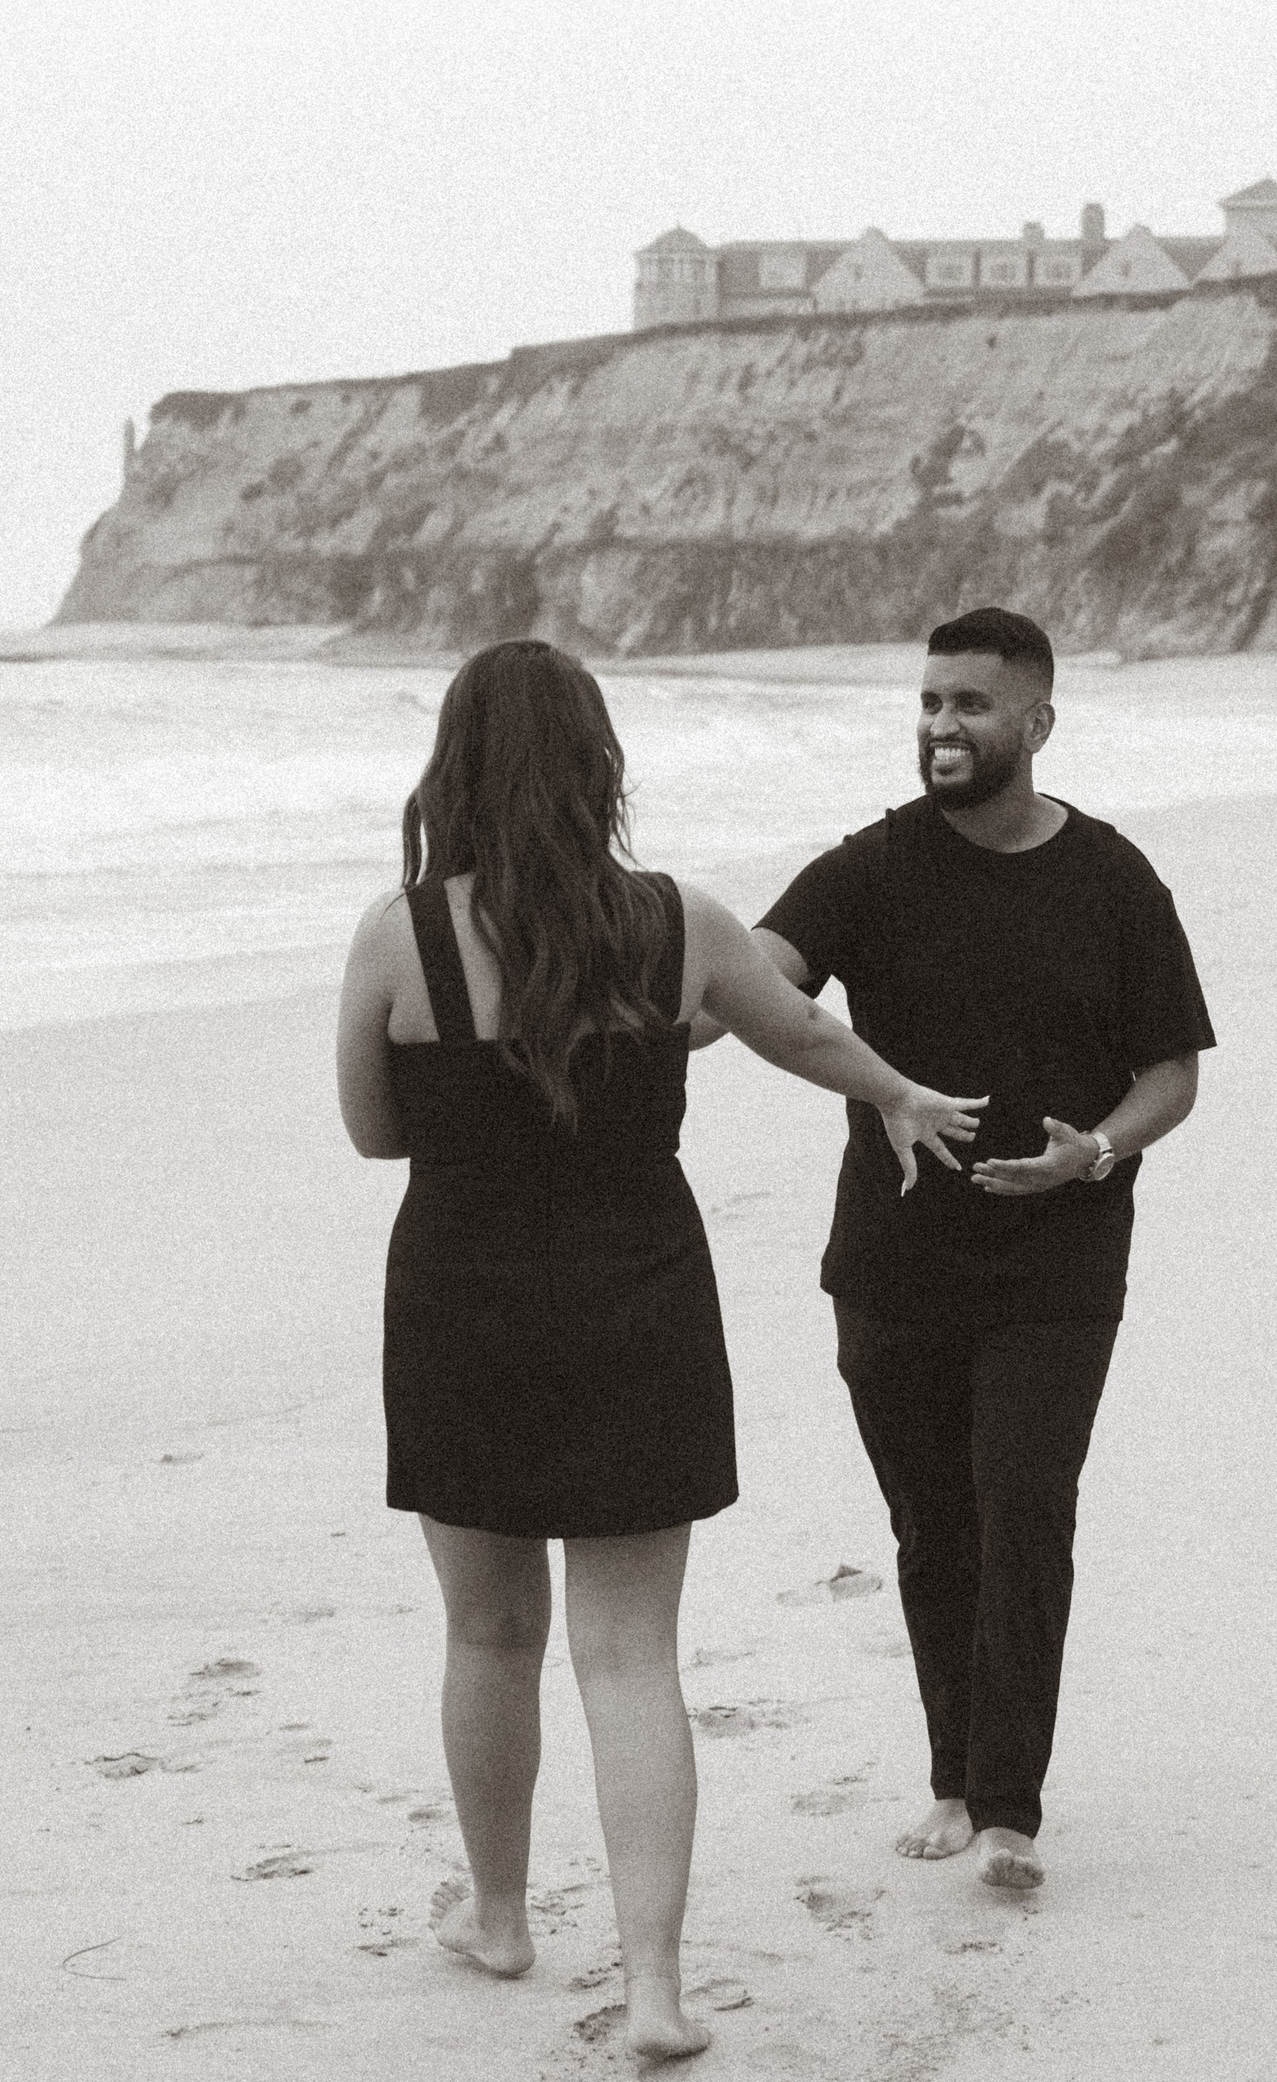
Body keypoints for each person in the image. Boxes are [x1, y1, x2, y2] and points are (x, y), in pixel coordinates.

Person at [335, 639, 983, 2065]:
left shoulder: (401, 935)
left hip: (463, 1308)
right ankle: (653, 1991)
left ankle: (499, 1915)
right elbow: (805, 1032)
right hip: (639, 1306)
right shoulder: (676, 922)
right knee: (632, 1656)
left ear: (452, 768)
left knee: (489, 1632)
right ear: (597, 767)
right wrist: (903, 1094)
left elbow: (376, 1131)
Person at [730, 607, 1214, 1897]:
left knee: (1025, 1519)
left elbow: (1173, 1071)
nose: (944, 726)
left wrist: (1096, 1152)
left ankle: (1010, 1808)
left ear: (1039, 723)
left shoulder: (1112, 879)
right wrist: (877, 1084)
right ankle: (952, 1778)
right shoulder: (875, 868)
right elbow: (757, 981)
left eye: (974, 707)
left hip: (1058, 1268)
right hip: (891, 1266)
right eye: (932, 702)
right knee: (931, 1529)